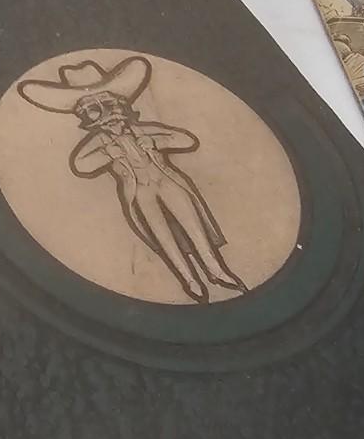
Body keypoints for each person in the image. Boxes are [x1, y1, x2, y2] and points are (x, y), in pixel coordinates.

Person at [19, 55, 247, 304]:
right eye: (93, 108)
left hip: (166, 180)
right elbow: (81, 164)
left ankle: (216, 269)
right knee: (162, 236)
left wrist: (157, 141)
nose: (105, 113)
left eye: (108, 104)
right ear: (85, 116)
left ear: (120, 104)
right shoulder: (99, 141)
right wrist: (108, 153)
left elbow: (185, 139)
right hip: (140, 191)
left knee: (193, 226)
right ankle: (189, 279)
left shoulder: (142, 129)